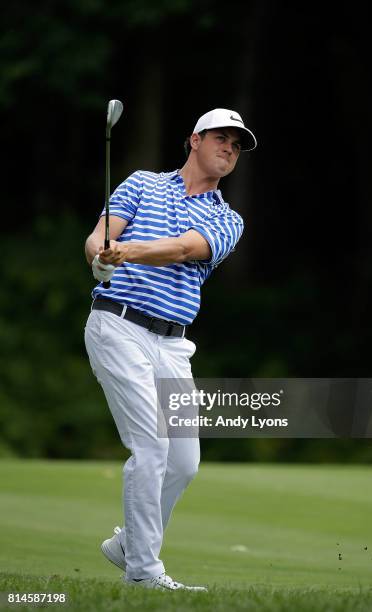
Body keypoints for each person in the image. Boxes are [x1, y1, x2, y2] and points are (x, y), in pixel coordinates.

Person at [84, 108, 257, 591]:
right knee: (152, 446)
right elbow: (101, 234)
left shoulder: (228, 219)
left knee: (184, 461)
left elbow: (184, 248)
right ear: (194, 140)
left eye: (237, 145)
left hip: (173, 344)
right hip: (118, 327)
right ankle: (143, 572)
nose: (230, 149)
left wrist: (126, 252)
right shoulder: (142, 183)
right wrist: (99, 255)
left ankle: (125, 545)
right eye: (222, 138)